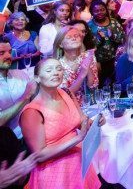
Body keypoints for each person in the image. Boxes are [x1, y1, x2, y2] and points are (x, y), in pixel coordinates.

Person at [19, 58, 101, 188]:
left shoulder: (67, 93)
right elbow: (39, 155)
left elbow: (82, 120)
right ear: (37, 78)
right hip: (54, 173)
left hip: (79, 163)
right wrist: (77, 139)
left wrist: (95, 122)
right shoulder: (32, 112)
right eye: (49, 70)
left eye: (59, 69)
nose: (56, 73)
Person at [0, 35, 38, 140]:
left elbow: (35, 102)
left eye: (9, 52)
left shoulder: (20, 74)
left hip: (33, 133)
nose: (8, 56)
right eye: (1, 53)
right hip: (7, 143)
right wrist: (25, 96)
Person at [53, 26, 98, 105]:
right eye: (69, 37)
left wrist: (88, 69)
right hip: (68, 106)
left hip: (89, 105)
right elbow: (64, 95)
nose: (74, 38)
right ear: (60, 44)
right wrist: (82, 74)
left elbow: (93, 86)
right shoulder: (57, 65)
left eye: (76, 36)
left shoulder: (88, 56)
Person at [88, 1, 125, 86]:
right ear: (92, 12)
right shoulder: (89, 26)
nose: (100, 12)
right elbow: (88, 47)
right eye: (96, 11)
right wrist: (99, 39)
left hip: (115, 60)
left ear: (106, 10)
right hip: (98, 63)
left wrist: (112, 36)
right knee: (101, 86)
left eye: (102, 10)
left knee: (116, 84)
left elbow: (123, 40)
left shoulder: (114, 22)